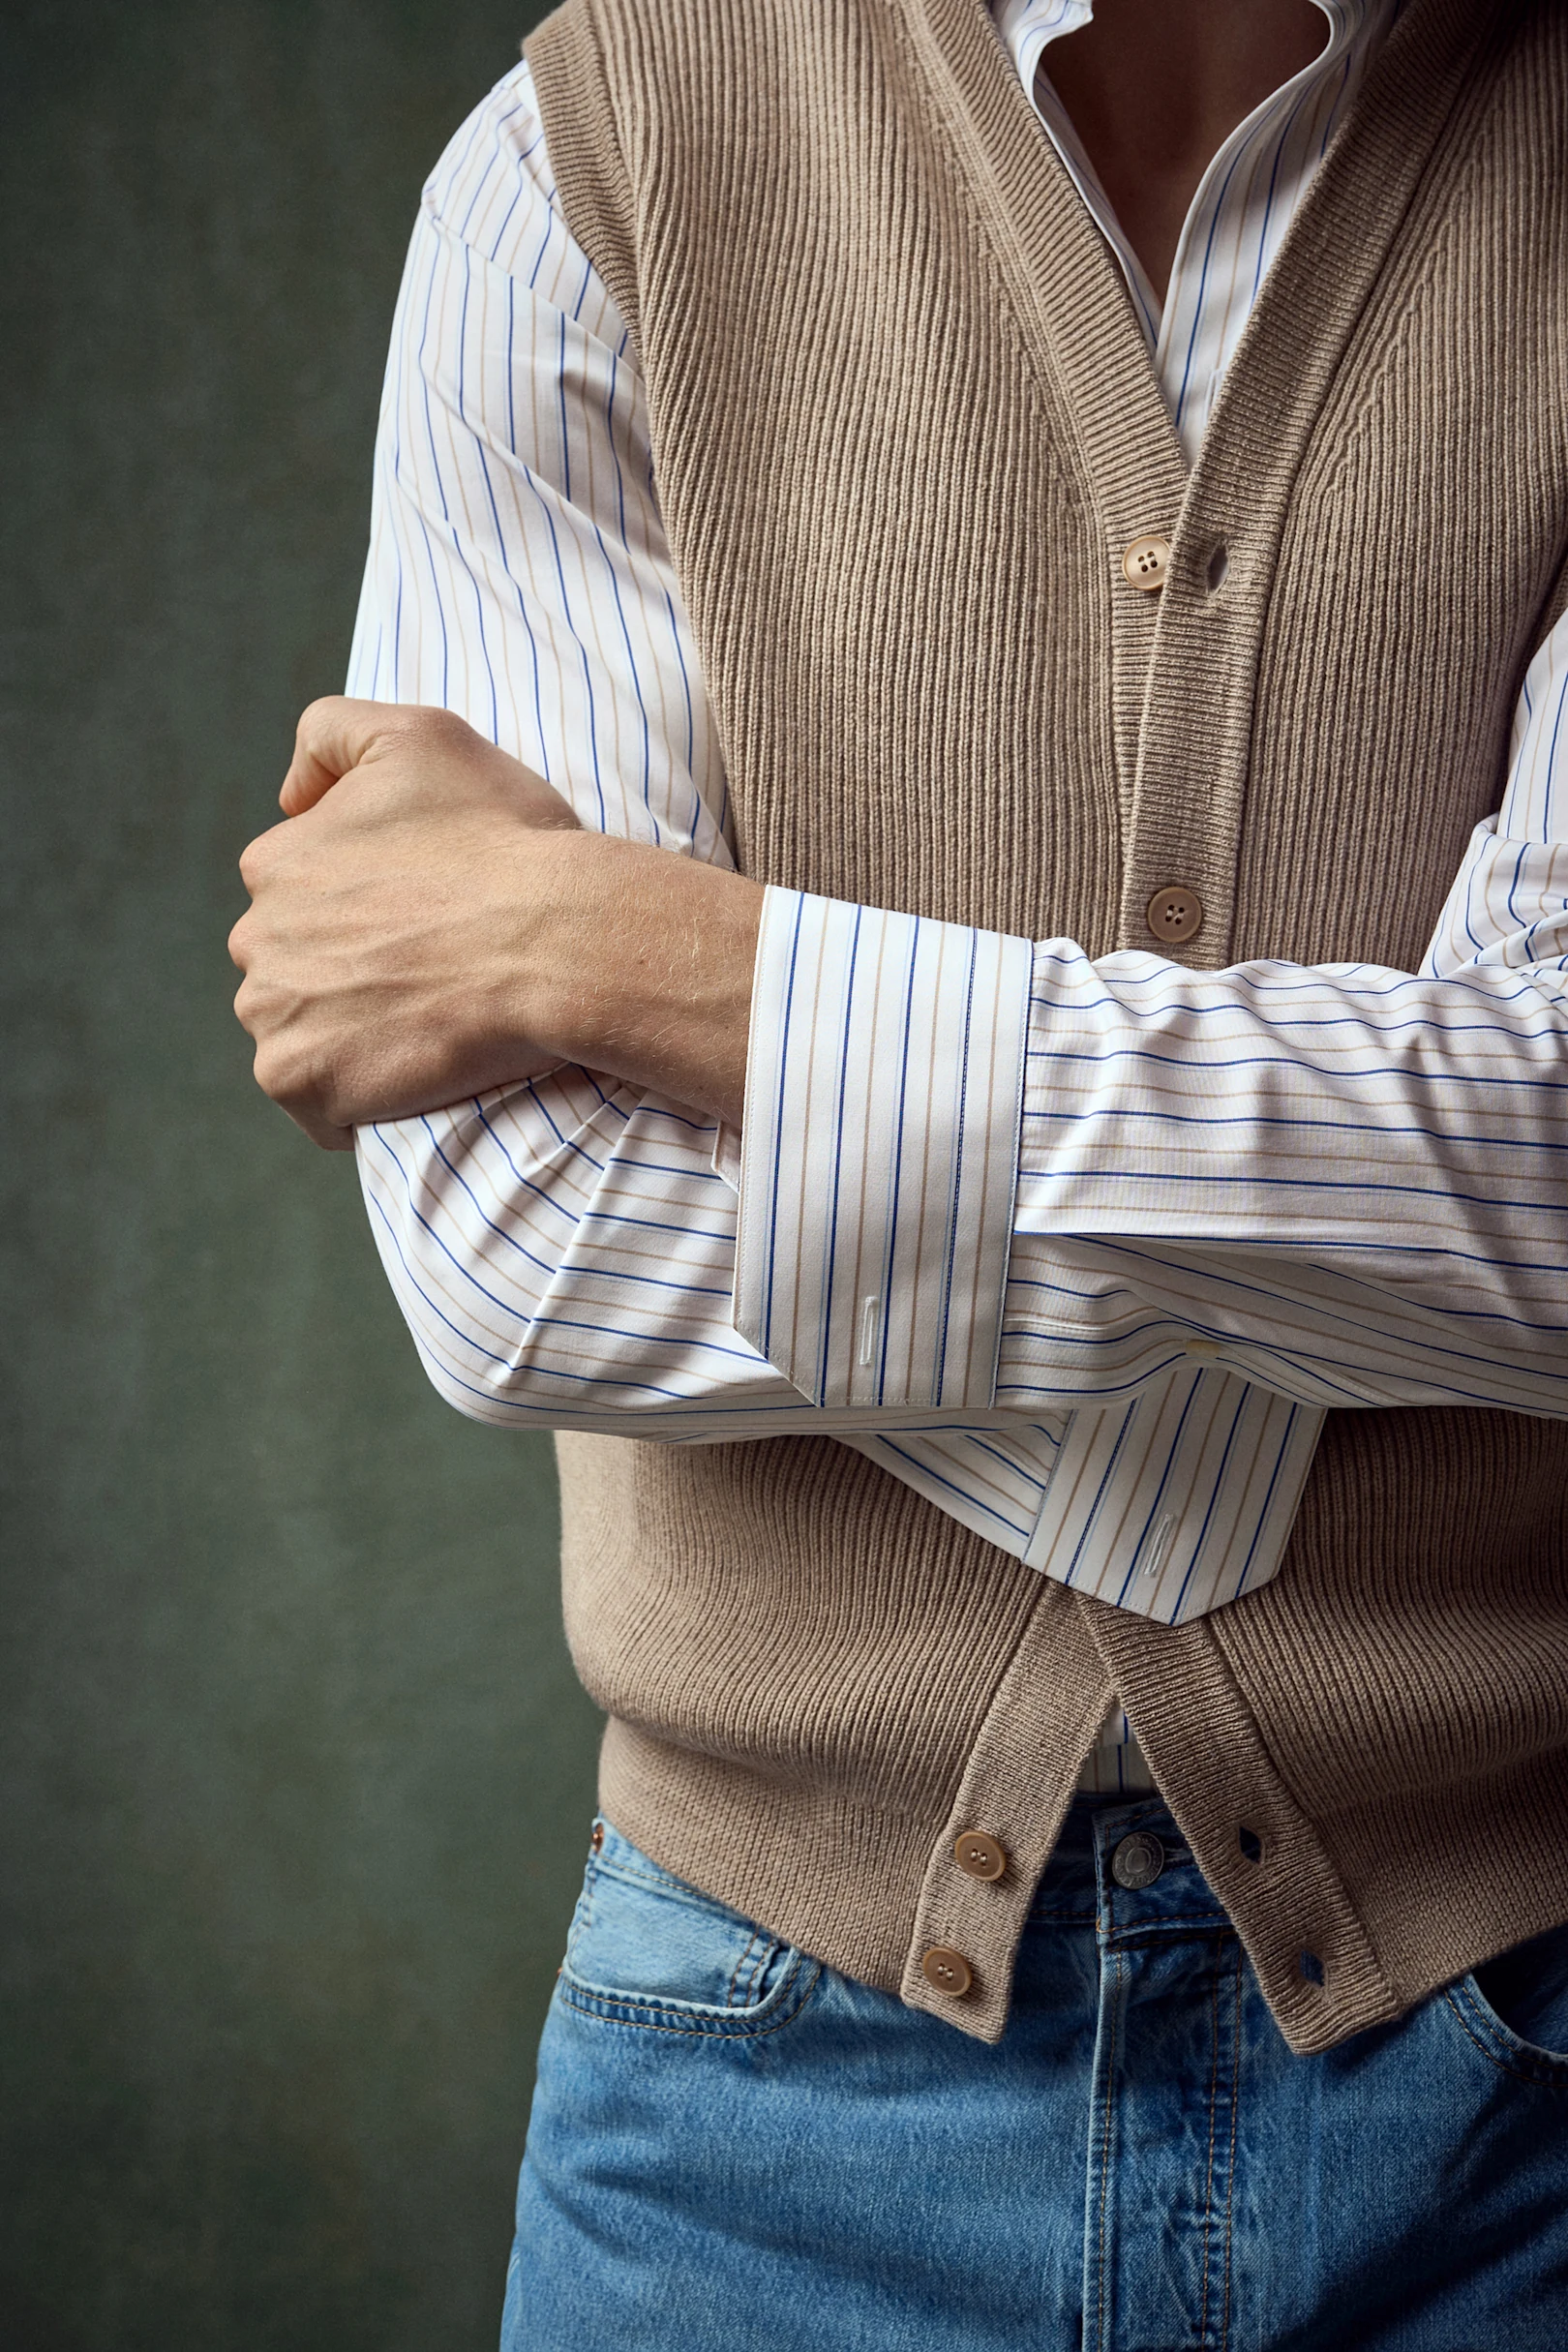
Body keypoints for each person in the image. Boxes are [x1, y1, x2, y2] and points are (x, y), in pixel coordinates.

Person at [229, 0, 1568, 2340]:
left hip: (1518, 2075)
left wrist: (640, 949)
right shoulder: (591, 155)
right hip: (757, 2110)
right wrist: (1378, 1203)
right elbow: (522, 1260)